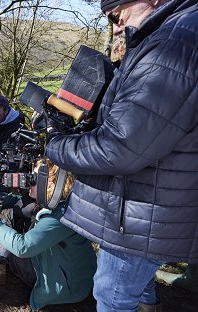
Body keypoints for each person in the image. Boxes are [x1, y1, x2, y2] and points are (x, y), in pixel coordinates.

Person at [44, 1, 198, 311]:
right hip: (153, 209)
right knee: (135, 287)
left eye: (117, 15)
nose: (115, 26)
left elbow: (120, 147)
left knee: (112, 297)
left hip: (140, 217)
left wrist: (54, 144)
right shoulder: (173, 33)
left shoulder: (172, 44)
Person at [0, 159, 96, 310]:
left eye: (34, 179)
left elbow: (23, 247)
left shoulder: (60, 217)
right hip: (55, 265)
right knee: (9, 217)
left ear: (49, 185)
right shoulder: (56, 202)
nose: (28, 181)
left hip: (62, 286)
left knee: (8, 246)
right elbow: (20, 203)